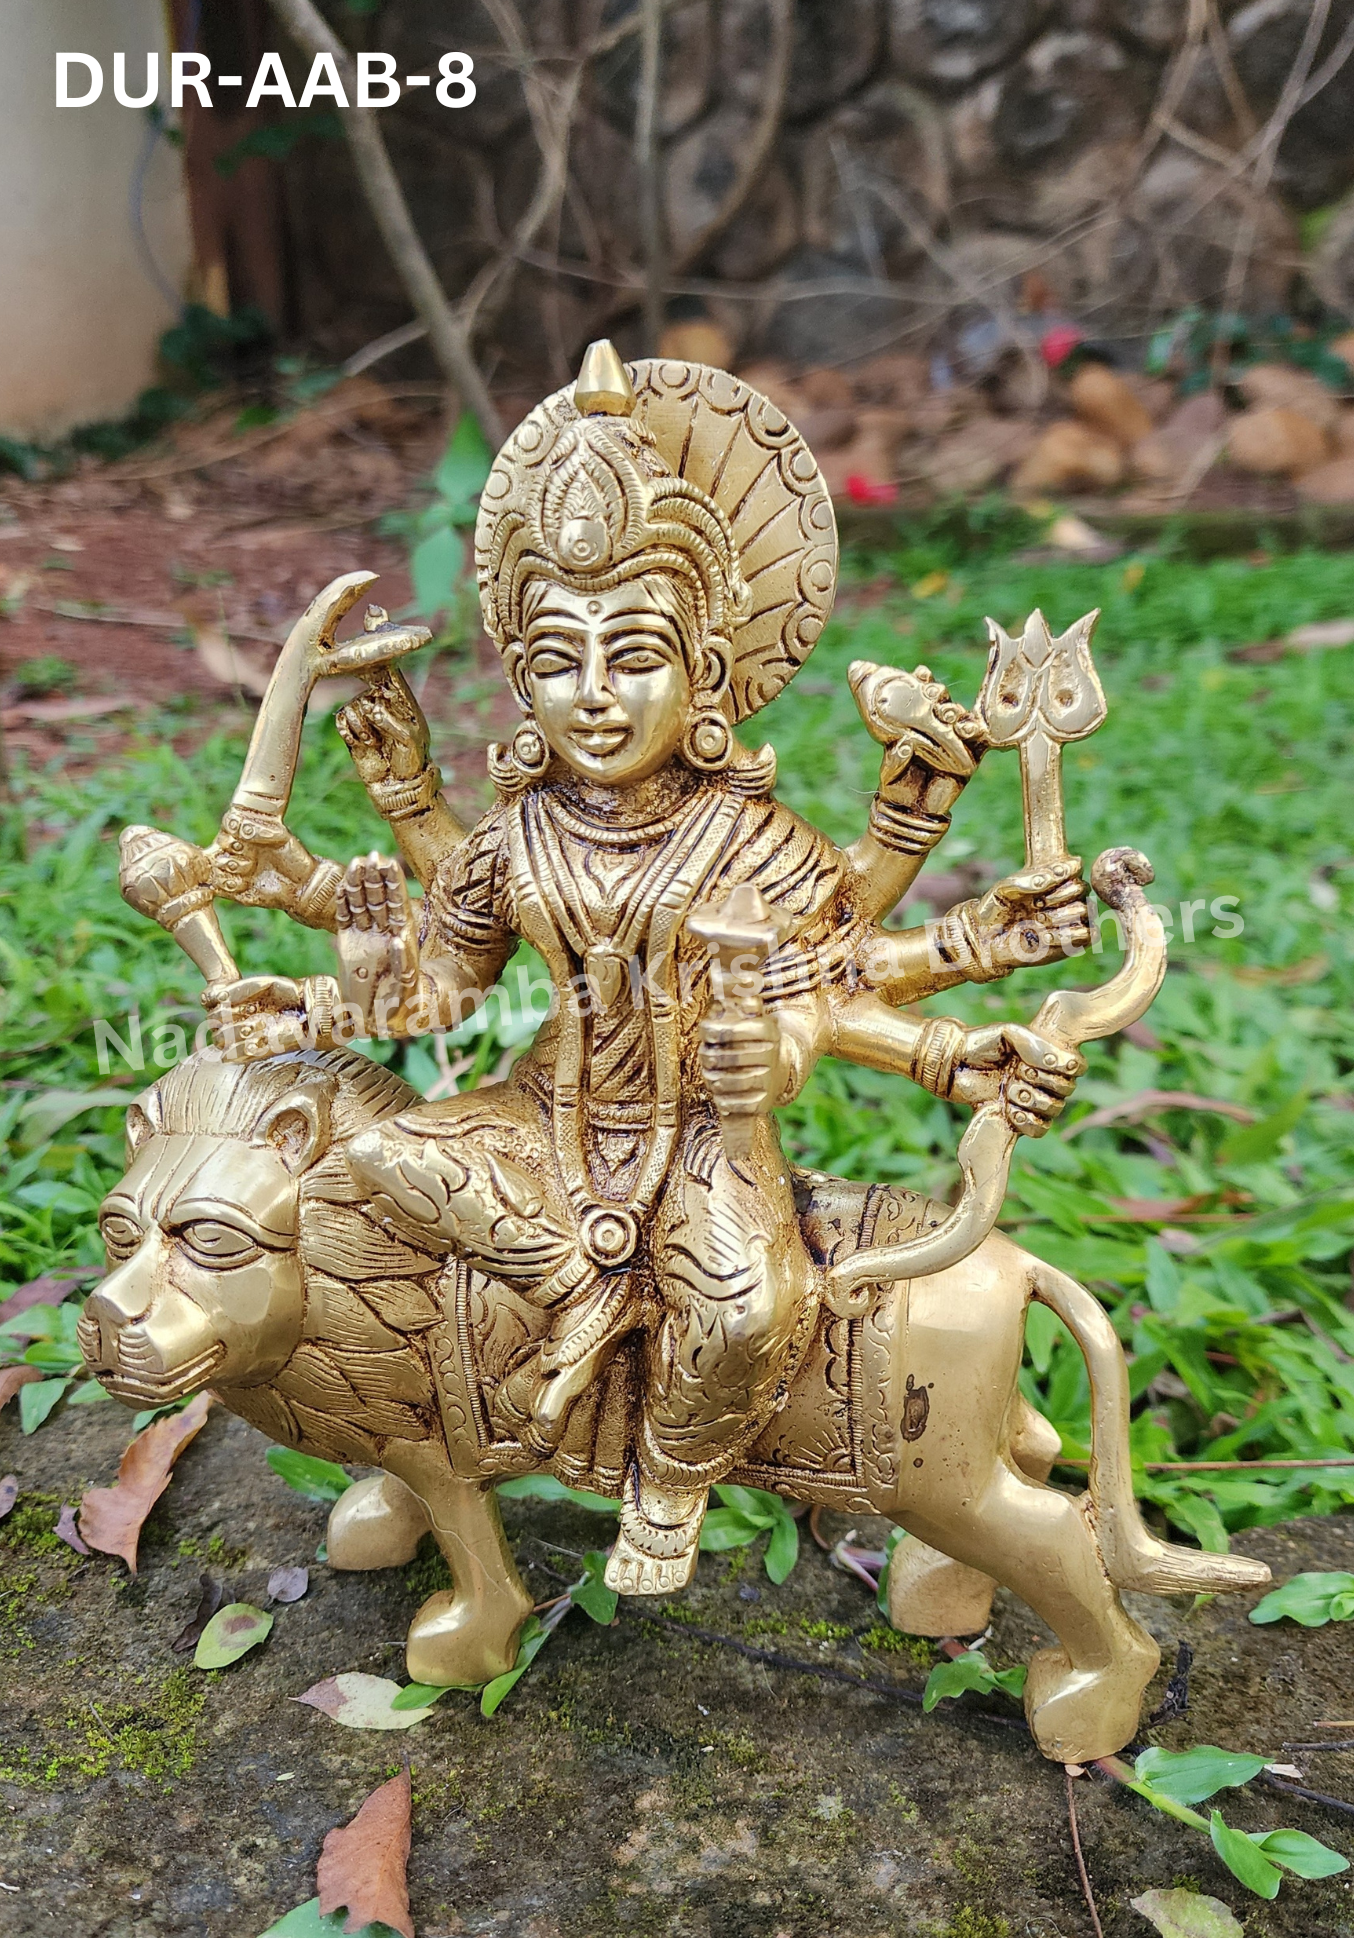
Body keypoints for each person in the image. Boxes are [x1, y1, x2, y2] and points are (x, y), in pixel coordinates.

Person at [203, 343, 1088, 1594]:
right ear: (520, 679)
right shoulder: (514, 836)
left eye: (633, 656)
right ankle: (551, 1323)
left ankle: (668, 1477)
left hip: (702, 1130)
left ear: (707, 673)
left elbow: (834, 978)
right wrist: (323, 995)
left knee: (742, 1308)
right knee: (378, 1160)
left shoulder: (751, 841)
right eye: (555, 662)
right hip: (543, 1118)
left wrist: (954, 1050)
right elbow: (442, 988)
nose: (594, 698)